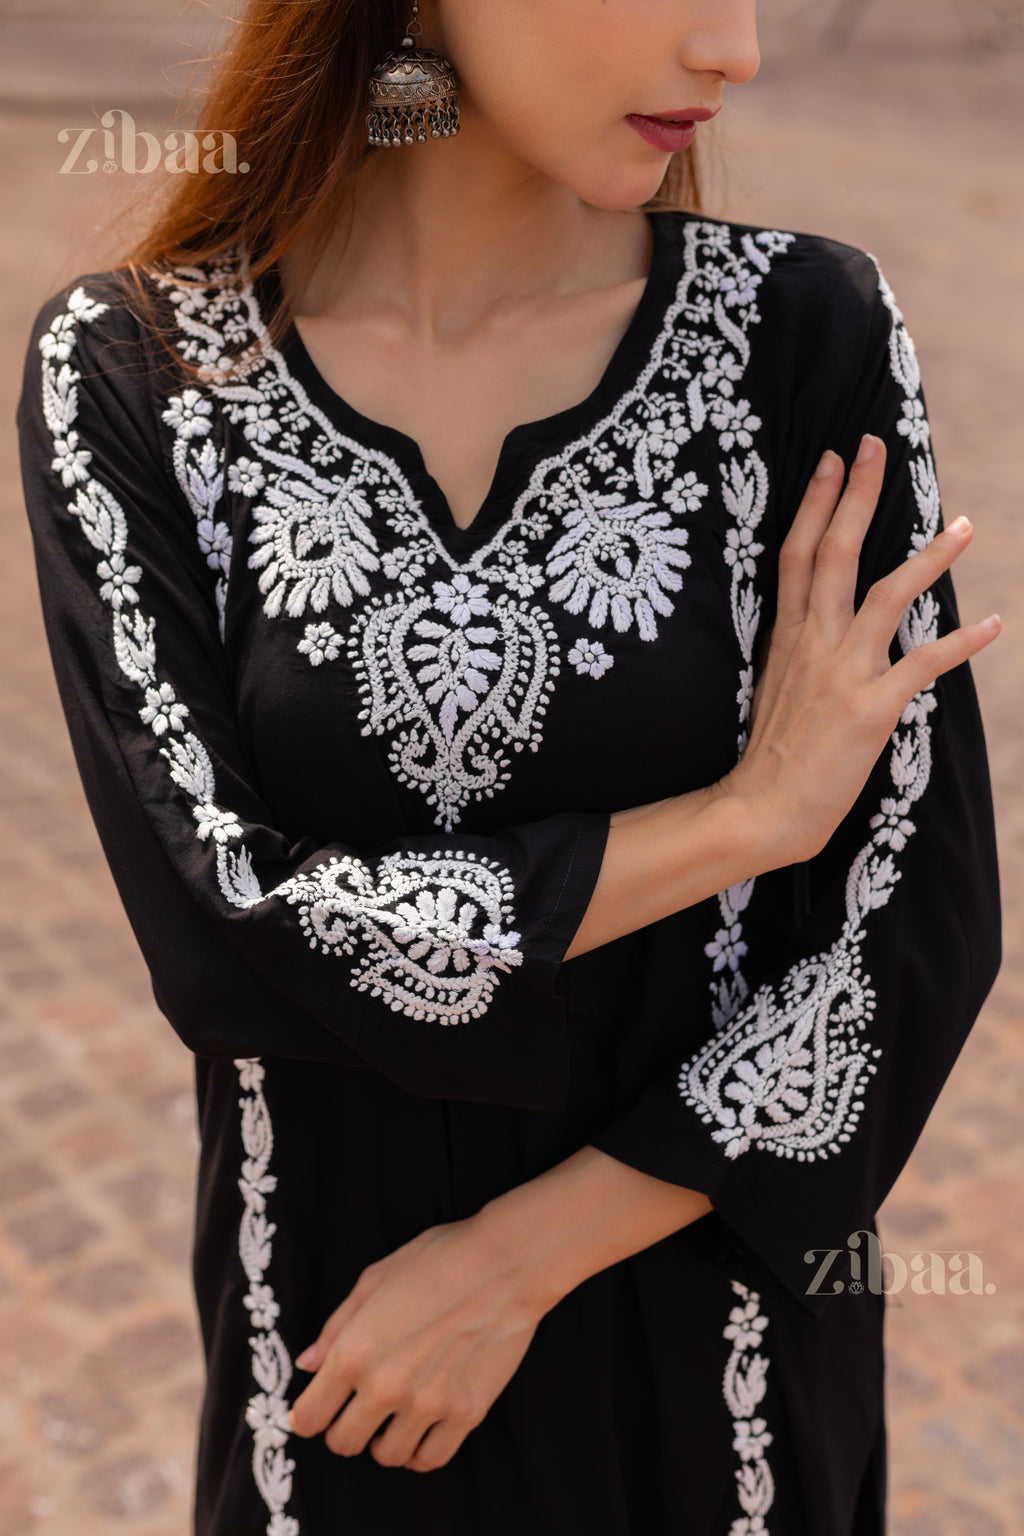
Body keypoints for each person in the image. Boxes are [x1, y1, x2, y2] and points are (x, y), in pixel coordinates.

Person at [17, 1, 1002, 1532]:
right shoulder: (141, 375)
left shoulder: (804, 334)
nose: (734, 50)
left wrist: (512, 1262)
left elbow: (911, 916)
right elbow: (232, 926)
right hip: (344, 1379)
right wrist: (743, 820)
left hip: (720, 1358)